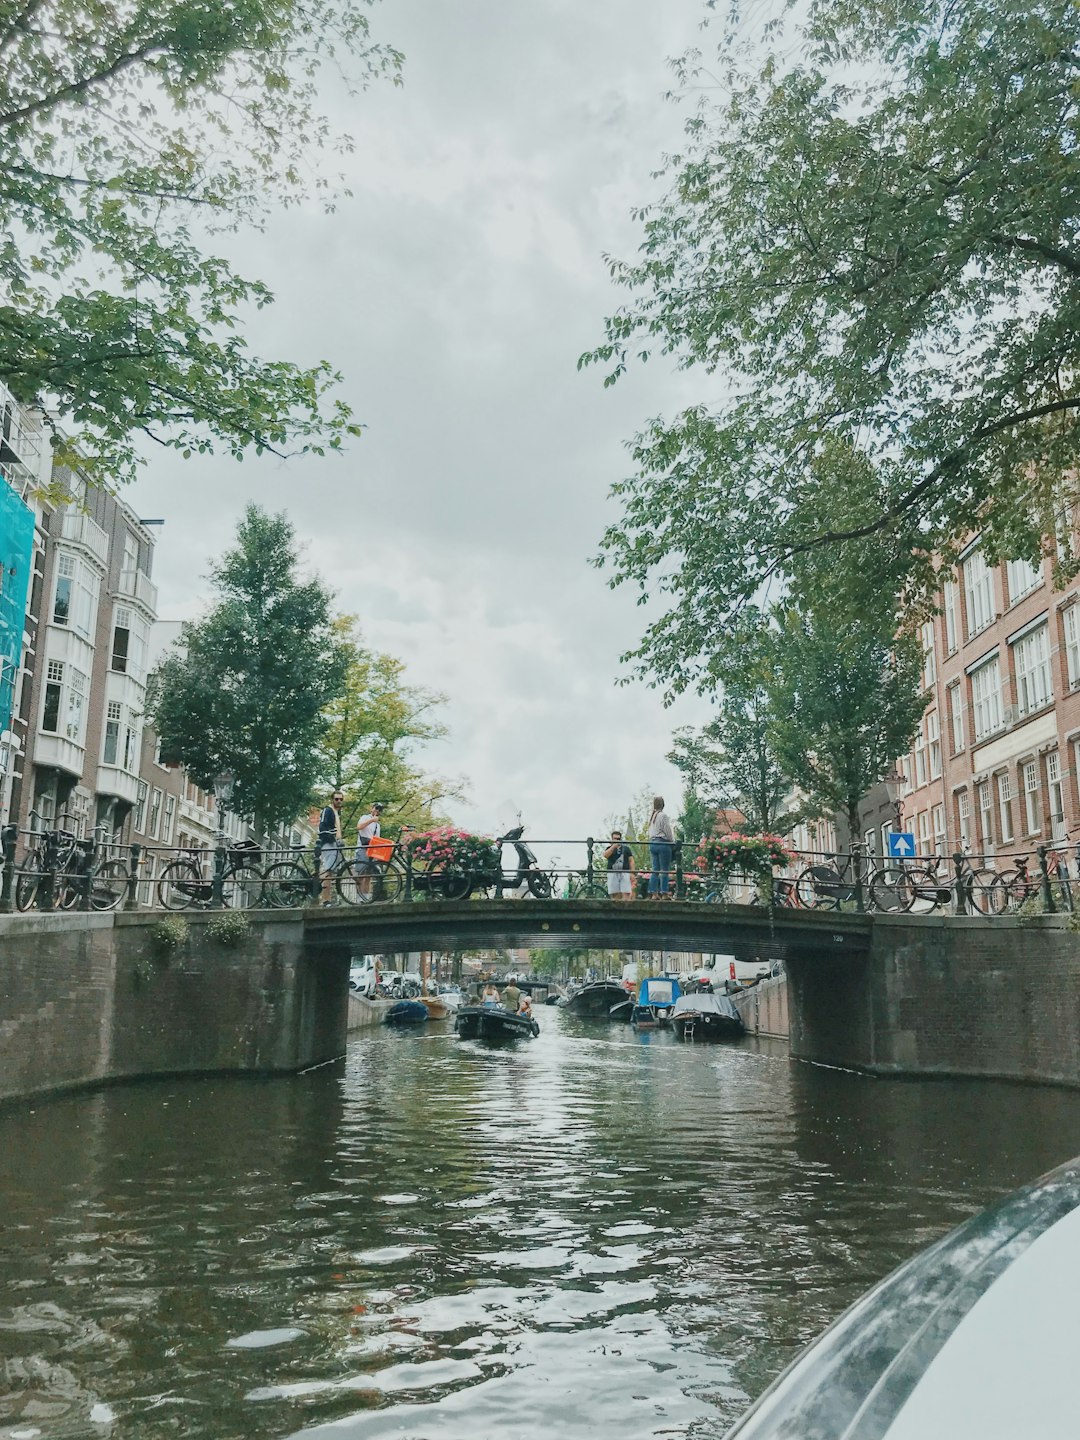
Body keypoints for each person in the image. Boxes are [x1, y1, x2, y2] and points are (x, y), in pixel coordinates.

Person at [353, 801, 385, 899]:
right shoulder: (365, 818)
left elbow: (377, 838)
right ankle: (359, 898)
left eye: (379, 810)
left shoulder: (377, 825)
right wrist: (371, 820)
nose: (377, 811)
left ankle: (366, 897)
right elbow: (359, 827)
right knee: (361, 873)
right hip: (362, 848)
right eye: (376, 808)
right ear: (372, 808)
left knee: (368, 875)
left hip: (372, 849)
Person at [318, 789, 345, 905]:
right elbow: (322, 827)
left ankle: (327, 899)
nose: (339, 801)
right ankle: (325, 901)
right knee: (328, 871)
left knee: (331, 871)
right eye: (336, 799)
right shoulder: (328, 810)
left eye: (341, 799)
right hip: (328, 844)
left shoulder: (336, 812)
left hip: (334, 844)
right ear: (332, 799)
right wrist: (332, 838)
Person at [647, 795, 675, 898]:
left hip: (653, 842)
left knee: (655, 869)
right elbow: (667, 830)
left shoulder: (652, 817)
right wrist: (672, 841)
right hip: (662, 843)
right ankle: (664, 892)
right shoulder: (663, 816)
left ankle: (653, 892)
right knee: (664, 869)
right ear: (663, 805)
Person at [604, 830, 636, 901]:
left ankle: (626, 908)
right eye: (615, 839)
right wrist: (613, 847)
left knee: (626, 893)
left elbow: (631, 860)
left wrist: (632, 873)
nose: (616, 841)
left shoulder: (626, 849)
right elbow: (605, 855)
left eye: (618, 839)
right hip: (612, 872)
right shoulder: (609, 849)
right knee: (615, 894)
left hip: (624, 872)